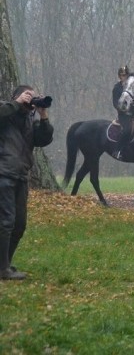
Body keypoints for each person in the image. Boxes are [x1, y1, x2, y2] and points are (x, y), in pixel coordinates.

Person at [0, 85, 53, 280]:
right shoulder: (6, 110)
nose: (30, 101)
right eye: (28, 96)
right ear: (17, 97)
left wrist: (43, 115)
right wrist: (17, 102)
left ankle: (4, 264)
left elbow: (44, 139)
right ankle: (2, 269)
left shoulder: (30, 120)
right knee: (6, 222)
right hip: (3, 173)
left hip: (21, 176)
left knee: (19, 224)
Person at [111, 65, 132, 159]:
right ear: (119, 76)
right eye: (122, 75)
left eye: (126, 75)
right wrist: (123, 109)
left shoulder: (131, 87)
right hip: (123, 115)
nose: (124, 77)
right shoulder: (117, 88)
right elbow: (115, 103)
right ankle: (117, 150)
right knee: (127, 130)